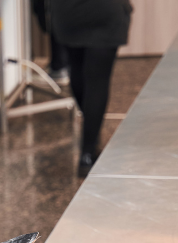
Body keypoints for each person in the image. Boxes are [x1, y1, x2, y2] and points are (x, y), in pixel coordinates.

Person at [50, 0, 133, 174]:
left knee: (77, 69)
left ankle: (91, 136)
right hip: (105, 9)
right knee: (98, 80)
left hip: (68, 12)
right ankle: (87, 153)